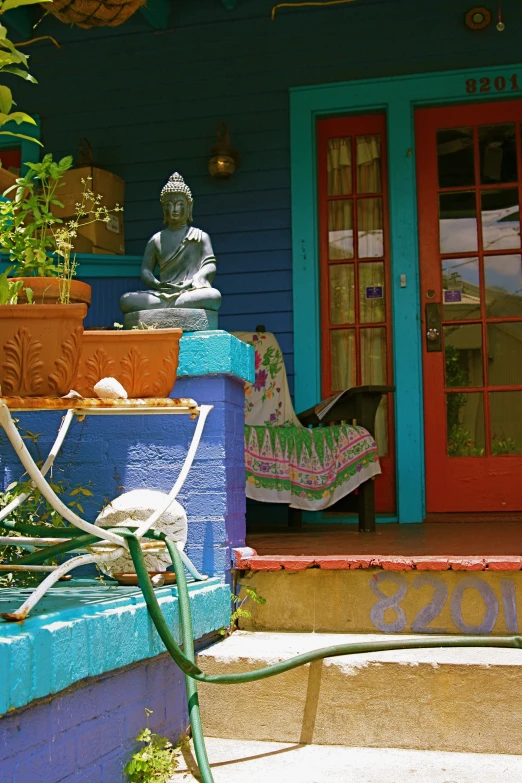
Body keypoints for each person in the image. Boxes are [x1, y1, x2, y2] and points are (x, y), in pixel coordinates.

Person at [120, 172, 221, 314]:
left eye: (180, 204)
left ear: (189, 206)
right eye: (169, 204)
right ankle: (174, 305)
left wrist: (197, 278)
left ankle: (170, 306)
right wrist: (156, 284)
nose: (174, 210)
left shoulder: (200, 236)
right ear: (163, 208)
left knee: (213, 296)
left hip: (190, 291)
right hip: (163, 293)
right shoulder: (156, 239)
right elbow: (145, 270)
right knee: (126, 300)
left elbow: (210, 265)